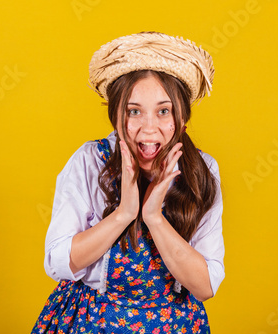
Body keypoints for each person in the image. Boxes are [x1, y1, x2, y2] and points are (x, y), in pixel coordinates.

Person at [31, 31, 225, 334]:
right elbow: (57, 264)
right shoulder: (89, 161)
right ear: (116, 116)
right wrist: (123, 214)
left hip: (174, 325)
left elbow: (205, 286)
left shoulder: (202, 170)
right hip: (91, 322)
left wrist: (153, 218)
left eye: (164, 111)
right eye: (134, 112)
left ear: (182, 118)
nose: (149, 129)